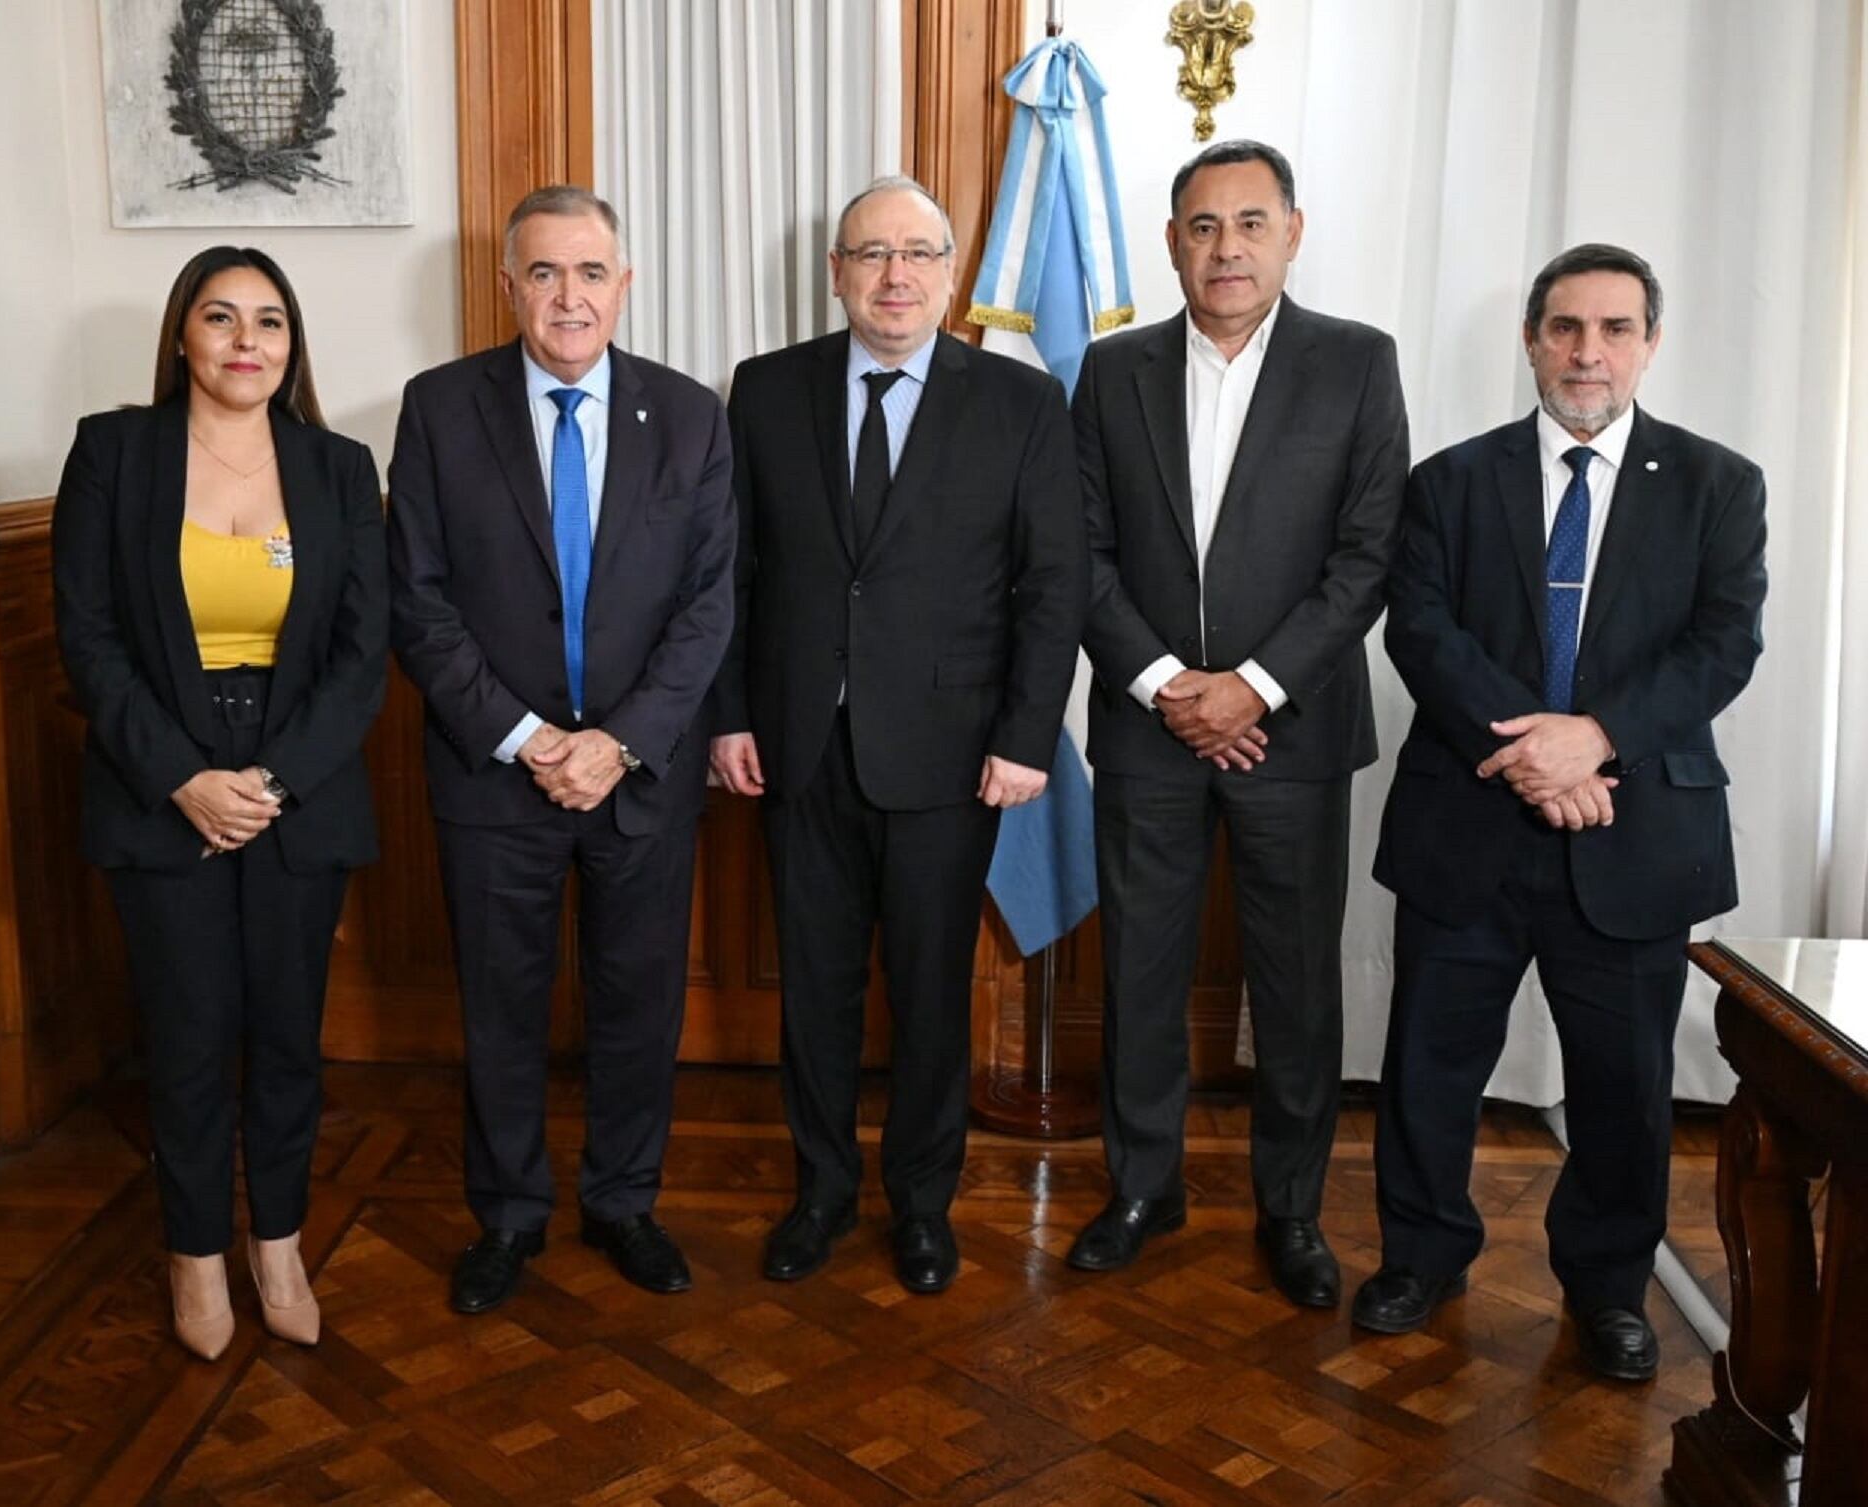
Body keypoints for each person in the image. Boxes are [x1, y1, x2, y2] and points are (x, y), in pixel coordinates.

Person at [1360, 244, 1767, 1380]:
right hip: (1468, 828)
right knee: (1431, 1065)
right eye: (1566, 328)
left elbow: (1722, 644)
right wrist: (1537, 749)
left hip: (1635, 834)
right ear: (1532, 339)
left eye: (1616, 328)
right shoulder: (1449, 481)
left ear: (1650, 343)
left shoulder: (1716, 485)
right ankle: (1422, 1254)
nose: (1589, 351)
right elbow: (1422, 632)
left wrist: (1594, 739)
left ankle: (1605, 1286)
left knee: (1624, 1085)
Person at [710, 176, 1085, 1295]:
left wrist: (1025, 736)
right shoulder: (765, 391)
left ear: (953, 270)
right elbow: (733, 572)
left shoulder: (1020, 405)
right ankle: (821, 1191)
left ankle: (923, 1205)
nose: (895, 277)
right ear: (835, 271)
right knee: (815, 989)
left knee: (929, 993)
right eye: (870, 254)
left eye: (918, 253)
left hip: (952, 751)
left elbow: (1052, 585)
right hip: (796, 747)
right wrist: (729, 712)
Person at [1067, 141, 1409, 1308]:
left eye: (1250, 224)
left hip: (1293, 733)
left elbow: (1367, 557)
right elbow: (1084, 552)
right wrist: (1169, 683)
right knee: (1141, 974)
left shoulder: (1359, 364)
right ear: (1172, 243)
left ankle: (1292, 1211)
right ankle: (1141, 1190)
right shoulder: (1110, 372)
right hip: (1147, 727)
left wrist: (1250, 688)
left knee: (1298, 984)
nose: (1227, 249)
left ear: (1293, 234)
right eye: (1203, 228)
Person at [387, 186, 734, 1314]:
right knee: (502, 1005)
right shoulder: (440, 409)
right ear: (509, 287)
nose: (569, 296)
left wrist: (620, 744)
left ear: (623, 285)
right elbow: (419, 602)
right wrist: (534, 738)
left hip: (640, 780)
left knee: (640, 1000)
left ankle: (625, 1201)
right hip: (497, 777)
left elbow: (709, 605)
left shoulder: (690, 416)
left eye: (590, 273)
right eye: (544, 273)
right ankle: (508, 1215)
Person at [53, 247, 388, 1360]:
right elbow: (90, 640)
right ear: (184, 336)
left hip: (299, 781)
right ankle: (196, 1255)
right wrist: (186, 778)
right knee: (190, 1037)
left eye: (272, 321)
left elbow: (361, 651)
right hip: (165, 782)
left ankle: (278, 1242)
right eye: (222, 317)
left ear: (292, 347)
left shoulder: (337, 467)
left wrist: (278, 779)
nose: (248, 340)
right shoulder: (115, 452)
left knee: (289, 1035)